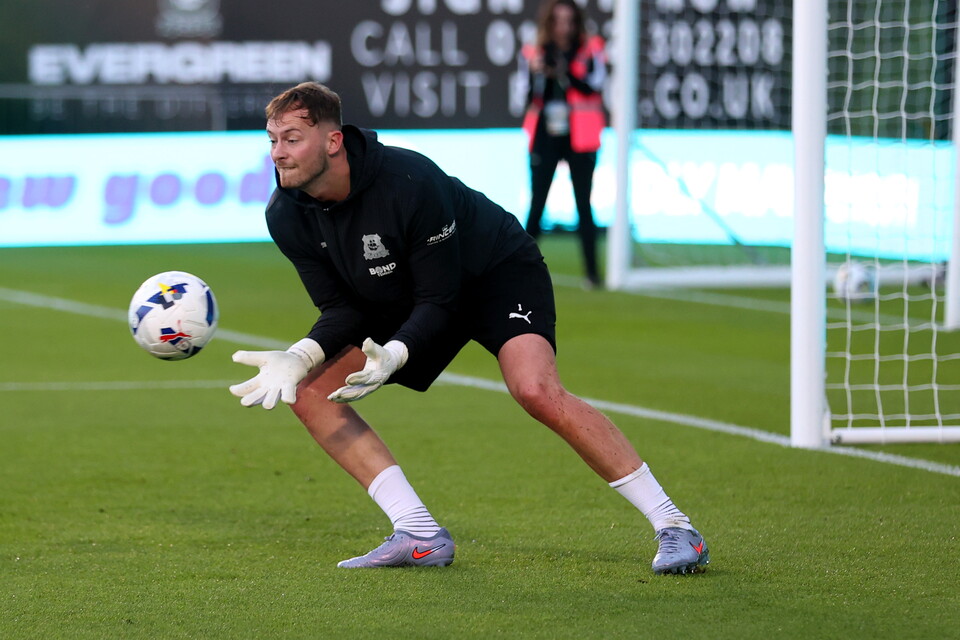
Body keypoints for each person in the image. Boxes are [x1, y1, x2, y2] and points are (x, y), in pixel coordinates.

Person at [228, 81, 709, 575]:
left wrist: (395, 354)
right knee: (306, 390)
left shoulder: (409, 179)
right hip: (411, 290)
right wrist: (303, 354)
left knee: (535, 389)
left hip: (493, 273)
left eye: (291, 139)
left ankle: (676, 527)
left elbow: (443, 298)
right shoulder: (285, 214)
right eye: (272, 140)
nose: (278, 154)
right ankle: (418, 533)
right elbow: (341, 309)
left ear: (332, 142)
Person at [518, 0, 607, 289]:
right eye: (558, 20)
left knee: (584, 204)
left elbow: (594, 85)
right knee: (537, 203)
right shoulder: (534, 51)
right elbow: (527, 95)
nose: (563, 27)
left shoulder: (591, 48)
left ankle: (593, 274)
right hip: (546, 133)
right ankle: (519, 270)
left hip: (580, 136)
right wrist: (538, 72)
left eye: (569, 20)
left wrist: (565, 72)